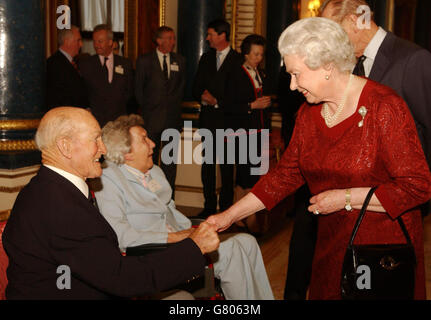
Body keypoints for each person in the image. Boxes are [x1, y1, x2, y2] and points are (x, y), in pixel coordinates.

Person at [207, 17, 431, 300]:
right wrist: (227, 216)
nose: (291, 86)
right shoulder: (308, 114)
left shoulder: (384, 107)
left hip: (380, 254)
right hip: (331, 245)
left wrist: (345, 198)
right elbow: (284, 176)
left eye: (296, 74)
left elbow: (418, 186)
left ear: (327, 66)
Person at [2, 107, 219, 299]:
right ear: (66, 147)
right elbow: (121, 279)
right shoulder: (59, 205)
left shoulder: (48, 187)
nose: (104, 149)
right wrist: (194, 247)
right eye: (95, 140)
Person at [94, 114, 274, 300]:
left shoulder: (155, 171)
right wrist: (173, 237)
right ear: (127, 153)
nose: (153, 144)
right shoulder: (108, 180)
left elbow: (171, 211)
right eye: (144, 139)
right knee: (231, 252)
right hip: (151, 253)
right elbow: (120, 236)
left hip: (180, 242)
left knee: (247, 242)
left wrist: (195, 231)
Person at [193, 19, 242, 218]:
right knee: (207, 167)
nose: (207, 38)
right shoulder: (205, 58)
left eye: (211, 34)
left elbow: (238, 94)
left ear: (222, 35)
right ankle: (209, 206)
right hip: (209, 122)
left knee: (228, 168)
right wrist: (205, 97)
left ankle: (227, 208)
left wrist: (217, 100)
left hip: (229, 123)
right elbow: (196, 87)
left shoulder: (238, 60)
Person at [135, 26, 186, 194]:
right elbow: (139, 92)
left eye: (173, 38)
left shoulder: (180, 60)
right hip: (151, 121)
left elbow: (181, 89)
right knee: (149, 161)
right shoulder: (144, 61)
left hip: (172, 120)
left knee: (170, 163)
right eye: (169, 38)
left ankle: (169, 198)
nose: (172, 42)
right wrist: (150, 112)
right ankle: (149, 196)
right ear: (159, 40)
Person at [79, 24, 134, 127]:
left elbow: (129, 91)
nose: (96, 45)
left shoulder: (125, 64)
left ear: (110, 42)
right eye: (94, 41)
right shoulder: (86, 64)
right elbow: (83, 92)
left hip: (119, 121)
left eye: (100, 41)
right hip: (95, 121)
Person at [46, 26, 88, 109]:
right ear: (67, 41)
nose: (81, 44)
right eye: (78, 40)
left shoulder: (75, 62)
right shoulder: (54, 64)